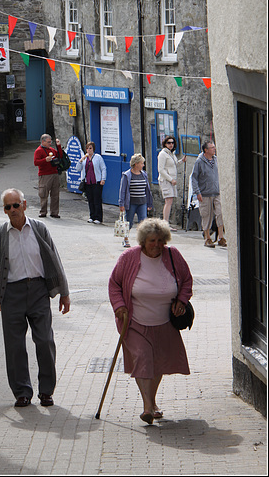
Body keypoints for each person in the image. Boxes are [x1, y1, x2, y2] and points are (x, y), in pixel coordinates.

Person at [0, 188, 70, 408]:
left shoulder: (39, 228)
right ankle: (22, 392)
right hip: (11, 294)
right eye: (8, 207)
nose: (12, 210)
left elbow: (55, 260)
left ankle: (46, 391)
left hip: (39, 291)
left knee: (45, 341)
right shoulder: (0, 235)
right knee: (15, 346)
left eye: (16, 205)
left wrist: (64, 293)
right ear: (4, 210)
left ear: (24, 205)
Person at [108, 217, 192, 425]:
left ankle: (152, 403)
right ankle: (147, 407)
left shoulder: (173, 256)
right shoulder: (129, 258)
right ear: (143, 241)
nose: (156, 245)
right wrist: (119, 306)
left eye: (160, 240)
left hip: (165, 322)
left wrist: (182, 300)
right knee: (143, 358)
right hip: (135, 321)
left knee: (158, 364)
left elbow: (187, 280)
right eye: (152, 240)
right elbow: (114, 283)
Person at [191, 140, 227, 248]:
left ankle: (221, 237)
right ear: (206, 150)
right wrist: (197, 192)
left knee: (220, 213)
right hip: (205, 193)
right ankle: (207, 238)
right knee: (206, 215)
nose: (214, 149)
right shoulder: (199, 162)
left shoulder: (216, 160)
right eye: (212, 147)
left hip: (217, 192)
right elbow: (194, 178)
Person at [118, 154, 153, 248]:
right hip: (131, 203)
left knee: (143, 223)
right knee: (128, 222)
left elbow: (147, 190)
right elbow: (123, 190)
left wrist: (149, 203)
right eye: (142, 163)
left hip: (143, 202)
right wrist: (121, 204)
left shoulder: (144, 174)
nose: (143, 165)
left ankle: (143, 241)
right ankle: (125, 239)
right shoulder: (127, 175)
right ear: (136, 164)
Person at [157, 136, 186, 231]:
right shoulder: (162, 154)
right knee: (168, 201)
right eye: (169, 143)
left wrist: (182, 161)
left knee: (170, 201)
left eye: (172, 143)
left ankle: (166, 223)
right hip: (166, 181)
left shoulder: (171, 154)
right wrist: (170, 179)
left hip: (171, 181)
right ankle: (165, 224)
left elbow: (174, 164)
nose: (171, 144)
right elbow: (161, 170)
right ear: (165, 144)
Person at [34, 134, 64, 218]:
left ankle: (54, 212)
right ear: (43, 142)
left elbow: (59, 156)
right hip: (44, 175)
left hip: (54, 173)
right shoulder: (38, 151)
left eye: (50, 142)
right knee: (43, 194)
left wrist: (58, 146)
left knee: (55, 194)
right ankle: (43, 211)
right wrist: (45, 160)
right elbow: (36, 162)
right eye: (48, 142)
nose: (50, 143)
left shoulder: (51, 150)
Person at [76, 141, 107, 224]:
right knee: (90, 200)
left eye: (90, 148)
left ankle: (98, 217)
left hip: (96, 182)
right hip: (87, 182)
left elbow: (103, 168)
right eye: (87, 148)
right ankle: (92, 216)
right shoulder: (84, 158)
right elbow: (78, 169)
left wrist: (103, 179)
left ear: (93, 149)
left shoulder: (98, 157)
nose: (88, 150)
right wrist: (80, 161)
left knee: (97, 200)